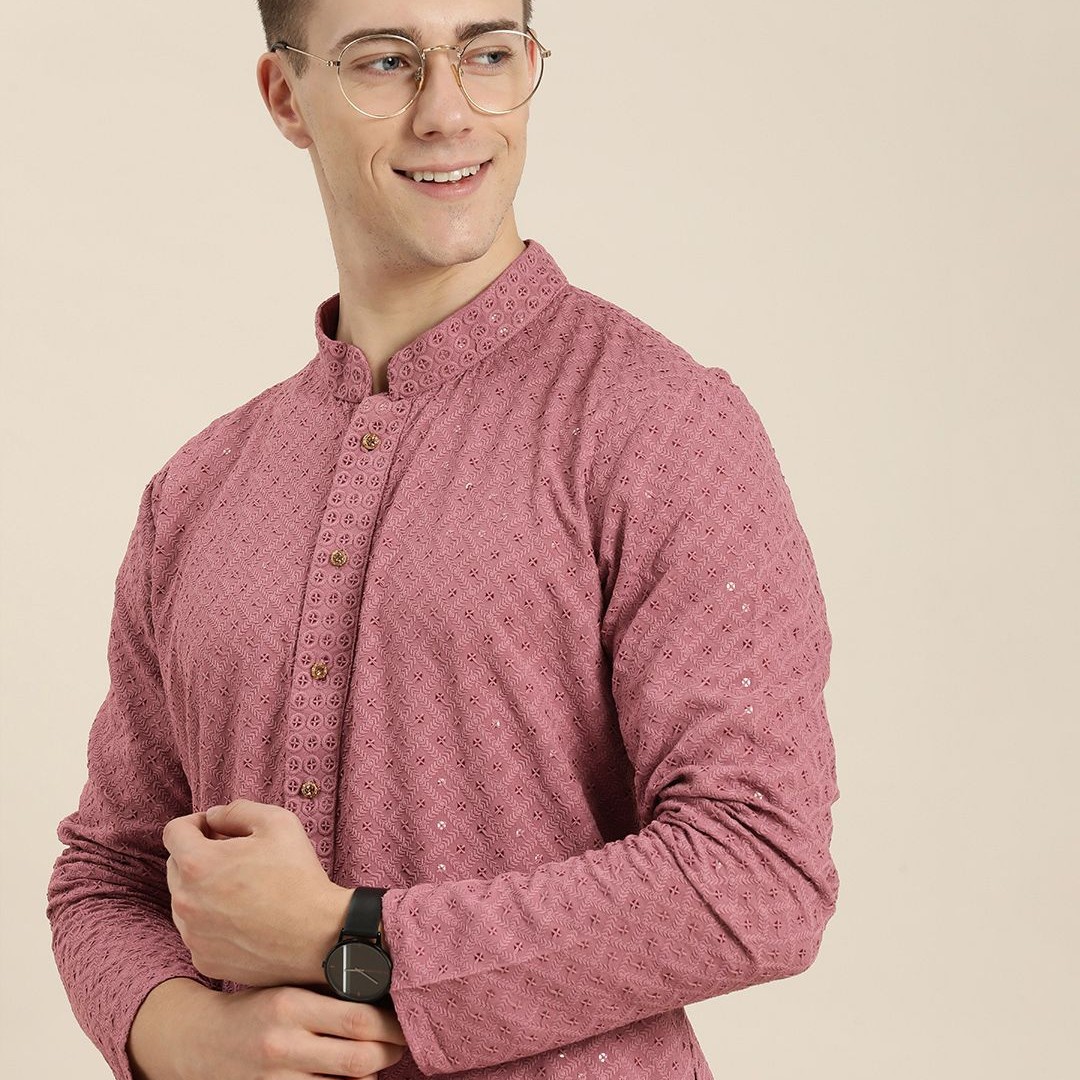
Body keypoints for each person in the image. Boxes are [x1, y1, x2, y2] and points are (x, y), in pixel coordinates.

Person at [46, 2, 840, 1078]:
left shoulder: (658, 424)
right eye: (385, 62)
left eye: (488, 54)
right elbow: (107, 874)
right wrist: (176, 1033)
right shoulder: (196, 490)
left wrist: (351, 937)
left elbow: (759, 871)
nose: (448, 112)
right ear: (286, 96)